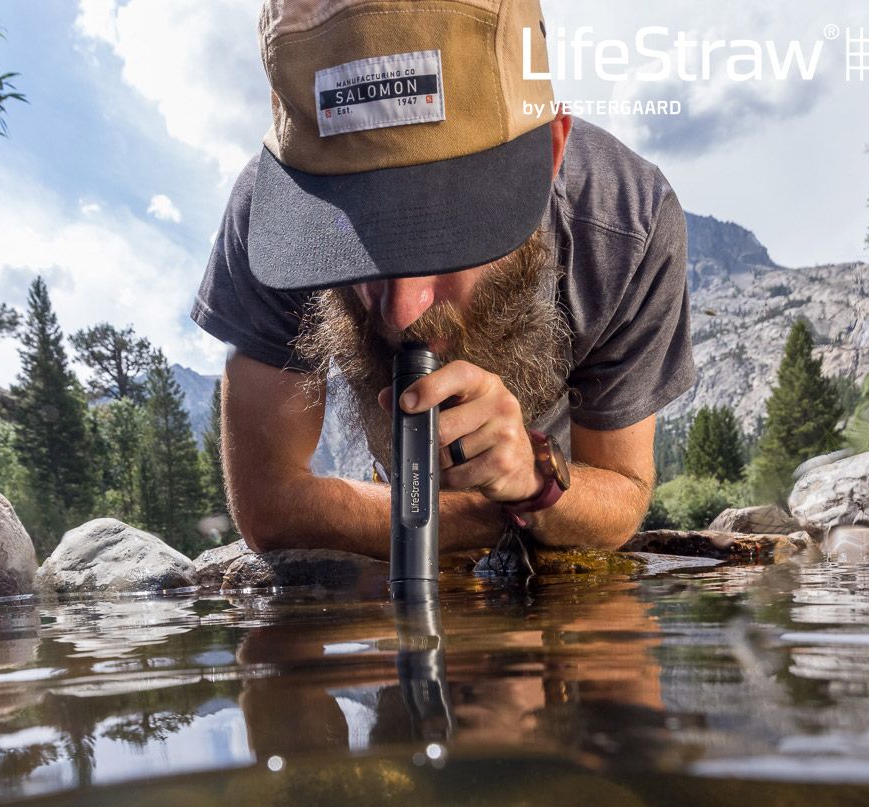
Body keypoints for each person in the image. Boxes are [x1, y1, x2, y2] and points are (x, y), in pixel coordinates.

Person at [191, 0, 695, 560]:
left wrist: (534, 479)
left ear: (551, 152)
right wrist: (491, 516)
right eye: (355, 244)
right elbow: (271, 505)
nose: (400, 312)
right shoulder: (280, 224)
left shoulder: (624, 222)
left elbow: (620, 490)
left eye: (448, 237)